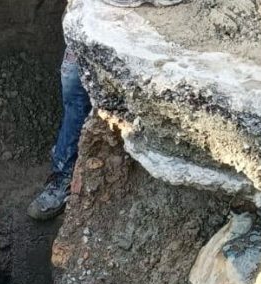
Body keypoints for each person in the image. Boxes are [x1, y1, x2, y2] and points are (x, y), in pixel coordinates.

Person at [27, 0, 182, 220]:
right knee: (73, 86)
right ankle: (64, 171)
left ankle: (118, 178)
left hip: (144, 26)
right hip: (92, 16)